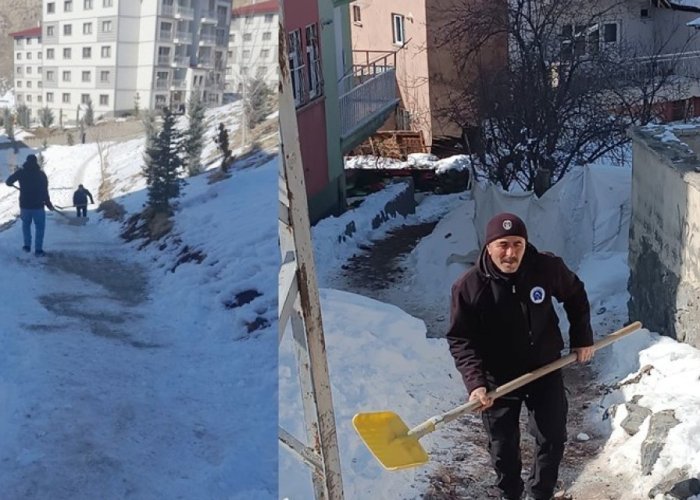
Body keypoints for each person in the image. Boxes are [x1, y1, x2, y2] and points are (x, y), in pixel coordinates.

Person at [446, 212, 594, 500]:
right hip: (497, 378)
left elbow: (575, 294)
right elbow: (460, 339)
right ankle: (510, 494)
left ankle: (541, 493)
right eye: (503, 245)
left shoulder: (546, 268)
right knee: (503, 446)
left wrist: (581, 338)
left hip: (545, 367)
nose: (510, 253)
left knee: (552, 437)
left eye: (517, 243)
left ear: (526, 244)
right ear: (488, 246)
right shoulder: (469, 286)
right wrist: (475, 383)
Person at [5, 154, 55, 256]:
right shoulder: (41, 175)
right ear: (36, 162)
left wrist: (11, 184)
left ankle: (27, 246)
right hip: (38, 206)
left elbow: (8, 181)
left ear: (27, 161)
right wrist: (49, 204)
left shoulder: (21, 173)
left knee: (26, 226)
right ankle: (38, 250)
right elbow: (45, 192)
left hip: (25, 205)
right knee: (40, 228)